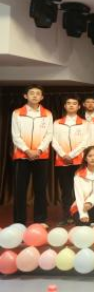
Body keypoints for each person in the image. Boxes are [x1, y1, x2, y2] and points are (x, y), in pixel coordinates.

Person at [11, 84, 53, 224]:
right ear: (25, 96)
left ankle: (40, 220)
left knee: (40, 189)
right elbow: (15, 136)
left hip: (41, 156)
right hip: (22, 156)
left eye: (38, 93)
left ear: (42, 97)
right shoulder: (17, 113)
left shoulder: (47, 114)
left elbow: (49, 135)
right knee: (20, 190)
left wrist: (39, 150)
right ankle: (19, 221)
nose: (35, 96)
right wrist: (27, 150)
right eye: (32, 93)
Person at [52, 94, 90, 224]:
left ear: (79, 107)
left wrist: (72, 154)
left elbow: (85, 142)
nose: (71, 105)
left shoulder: (84, 123)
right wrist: (63, 154)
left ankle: (79, 214)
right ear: (64, 106)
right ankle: (66, 216)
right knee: (66, 190)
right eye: (69, 103)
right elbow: (54, 141)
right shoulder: (57, 123)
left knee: (80, 189)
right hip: (62, 161)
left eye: (74, 103)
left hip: (79, 160)